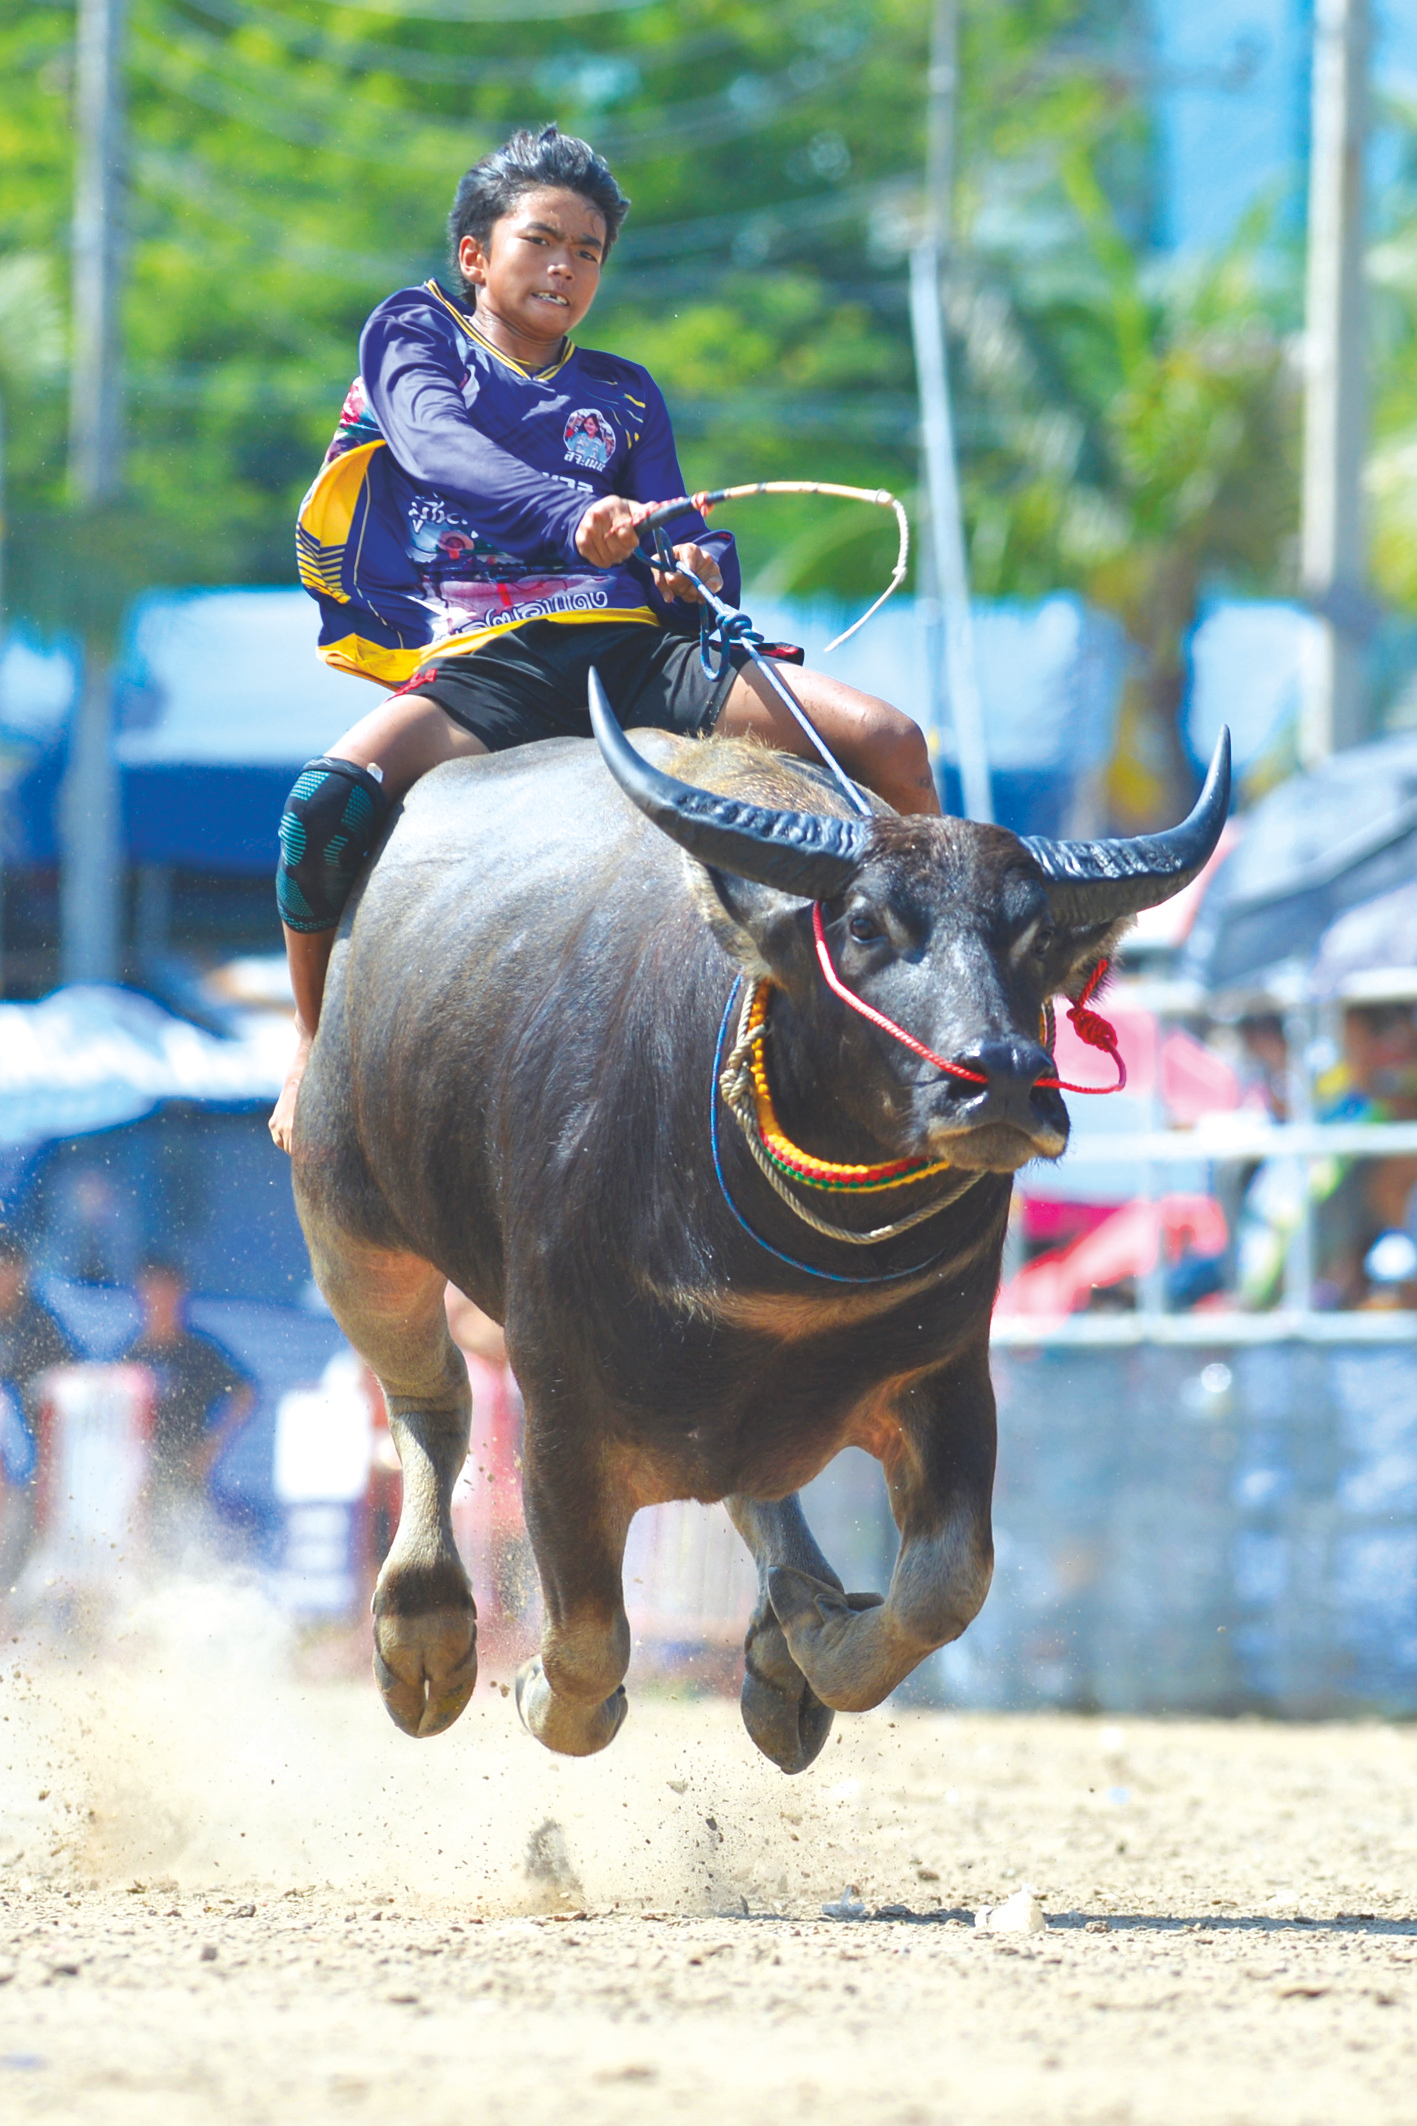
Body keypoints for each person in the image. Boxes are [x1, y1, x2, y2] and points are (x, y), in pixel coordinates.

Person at [270, 123, 940, 1150]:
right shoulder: (414, 336)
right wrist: (568, 511)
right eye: (540, 241)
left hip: (636, 656)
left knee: (890, 742)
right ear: (473, 255)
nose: (564, 268)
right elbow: (440, 448)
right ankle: (311, 1048)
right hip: (487, 669)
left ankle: (943, 987)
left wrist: (693, 565)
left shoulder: (625, 391)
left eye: (587, 251)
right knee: (323, 806)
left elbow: (674, 525)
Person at [122, 1259, 254, 1534]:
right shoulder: (131, 1354)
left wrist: (212, 1446)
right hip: (138, 1477)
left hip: (186, 1473)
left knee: (184, 1542)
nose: (158, 1302)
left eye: (166, 1293)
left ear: (180, 1295)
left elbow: (245, 1393)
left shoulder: (199, 1352)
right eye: (152, 1292)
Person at [0, 1232, 78, 1576]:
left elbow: (73, 1377)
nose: (7, 1278)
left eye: (12, 1269)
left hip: (30, 1461)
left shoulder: (39, 1322)